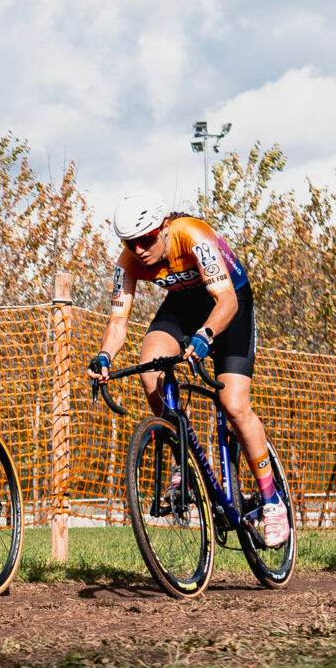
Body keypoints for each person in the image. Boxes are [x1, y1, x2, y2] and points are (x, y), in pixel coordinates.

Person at [85, 194, 290, 547]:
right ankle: (184, 457)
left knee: (234, 406)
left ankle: (272, 501)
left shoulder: (192, 235)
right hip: (182, 304)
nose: (140, 250)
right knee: (150, 370)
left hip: (229, 304)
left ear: (163, 228)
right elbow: (118, 323)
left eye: (147, 239)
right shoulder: (128, 263)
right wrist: (103, 356)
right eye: (131, 244)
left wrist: (206, 335)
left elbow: (226, 302)